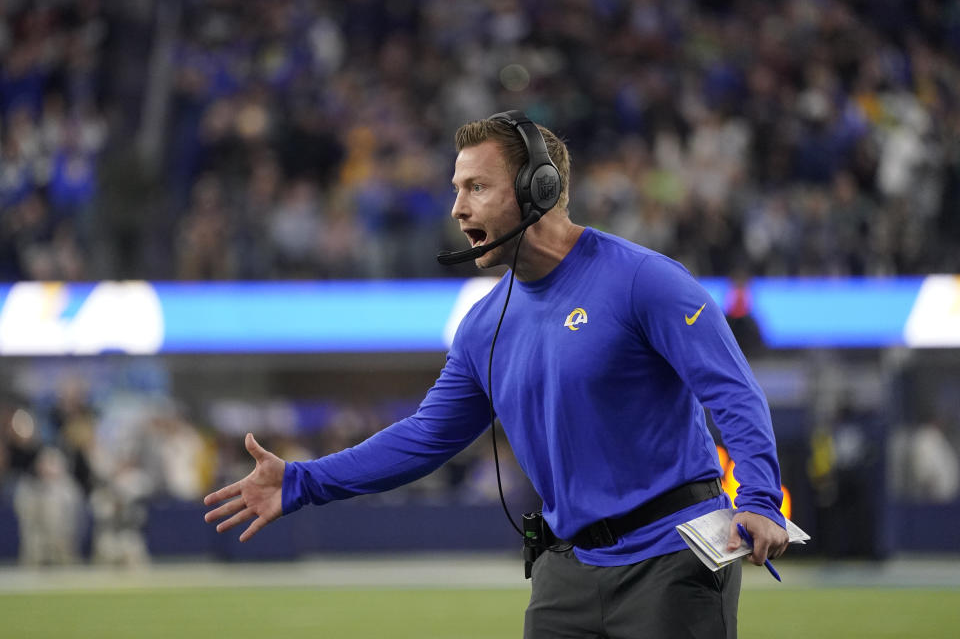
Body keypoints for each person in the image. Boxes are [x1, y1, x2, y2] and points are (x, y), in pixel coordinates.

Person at [204, 111, 789, 638]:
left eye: (476, 187)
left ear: (541, 188)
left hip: (671, 563)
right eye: (456, 189)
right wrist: (303, 481)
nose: (457, 208)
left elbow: (732, 391)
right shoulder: (484, 324)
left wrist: (760, 497)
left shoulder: (645, 280)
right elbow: (424, 438)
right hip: (566, 577)